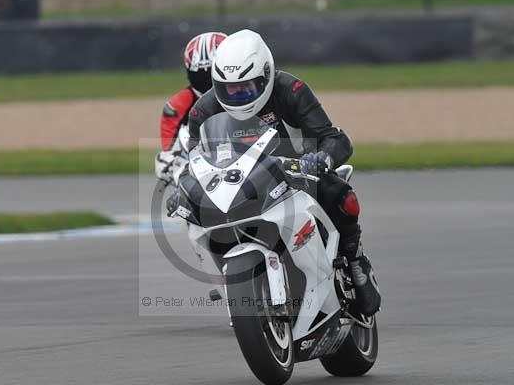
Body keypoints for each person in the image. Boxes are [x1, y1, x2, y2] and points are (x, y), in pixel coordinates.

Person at [181, 29, 382, 317]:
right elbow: (195, 159)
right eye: (229, 89)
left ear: (265, 76)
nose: (237, 96)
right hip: (241, 185)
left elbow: (335, 138)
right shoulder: (203, 111)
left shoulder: (291, 91)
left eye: (246, 88)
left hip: (296, 174)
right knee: (195, 217)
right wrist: (183, 187)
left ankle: (354, 258)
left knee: (337, 192)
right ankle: (232, 282)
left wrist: (322, 158)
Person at [155, 31, 227, 182]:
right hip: (203, 170)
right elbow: (169, 152)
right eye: (200, 75)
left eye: (212, 73)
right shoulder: (176, 106)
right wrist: (175, 167)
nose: (207, 81)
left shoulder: (249, 91)